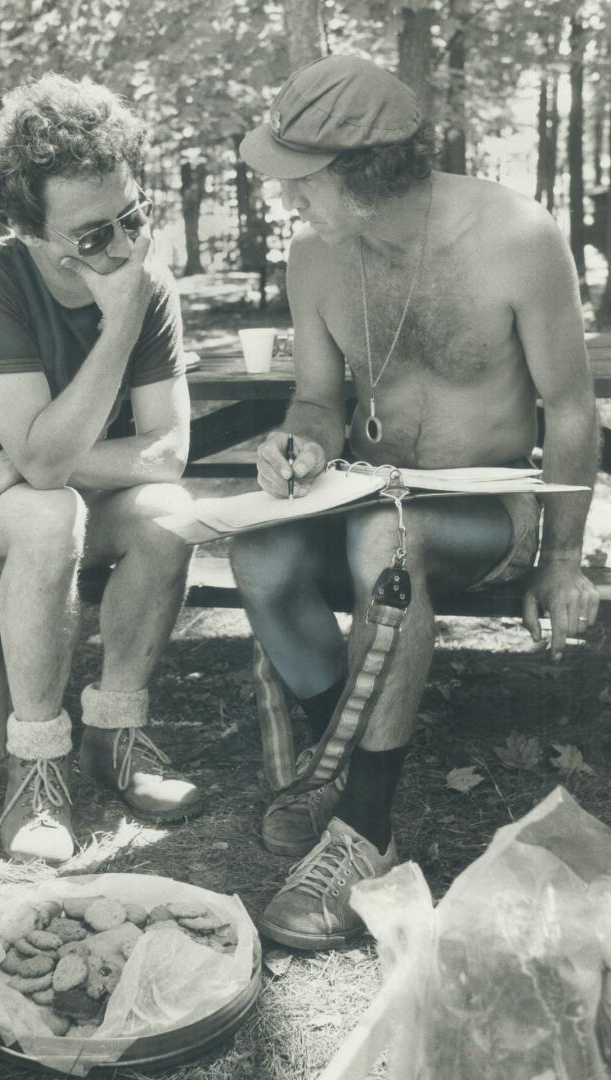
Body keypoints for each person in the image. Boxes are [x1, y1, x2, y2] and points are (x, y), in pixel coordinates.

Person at [231, 54, 600, 950]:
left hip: (484, 509)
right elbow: (317, 397)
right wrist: (302, 441)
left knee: (380, 548)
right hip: (364, 494)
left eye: (300, 180)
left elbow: (573, 405)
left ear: (361, 175)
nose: (288, 200)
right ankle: (340, 769)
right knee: (261, 554)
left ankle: (362, 829)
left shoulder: (516, 235)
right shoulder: (315, 253)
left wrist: (559, 558)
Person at [0, 73, 202, 865]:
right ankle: (38, 766)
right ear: (30, 230)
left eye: (133, 218)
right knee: (45, 511)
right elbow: (48, 469)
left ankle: (116, 734)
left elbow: (165, 451)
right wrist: (117, 331)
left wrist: (15, 462)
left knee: (170, 511)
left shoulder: (145, 283)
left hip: (28, 495)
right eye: (93, 237)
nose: (123, 249)